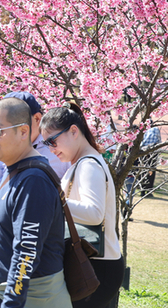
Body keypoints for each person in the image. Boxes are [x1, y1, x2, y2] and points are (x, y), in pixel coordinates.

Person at [0, 98, 71, 307]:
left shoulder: (33, 180)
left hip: (30, 299)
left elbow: (26, 253)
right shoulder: (15, 170)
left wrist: (11, 303)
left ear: (22, 132)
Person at [40, 103, 124, 308]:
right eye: (46, 144)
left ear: (74, 131)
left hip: (96, 265)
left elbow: (95, 213)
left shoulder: (87, 164)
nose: (51, 149)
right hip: (92, 262)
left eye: (53, 141)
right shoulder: (83, 162)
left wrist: (53, 199)